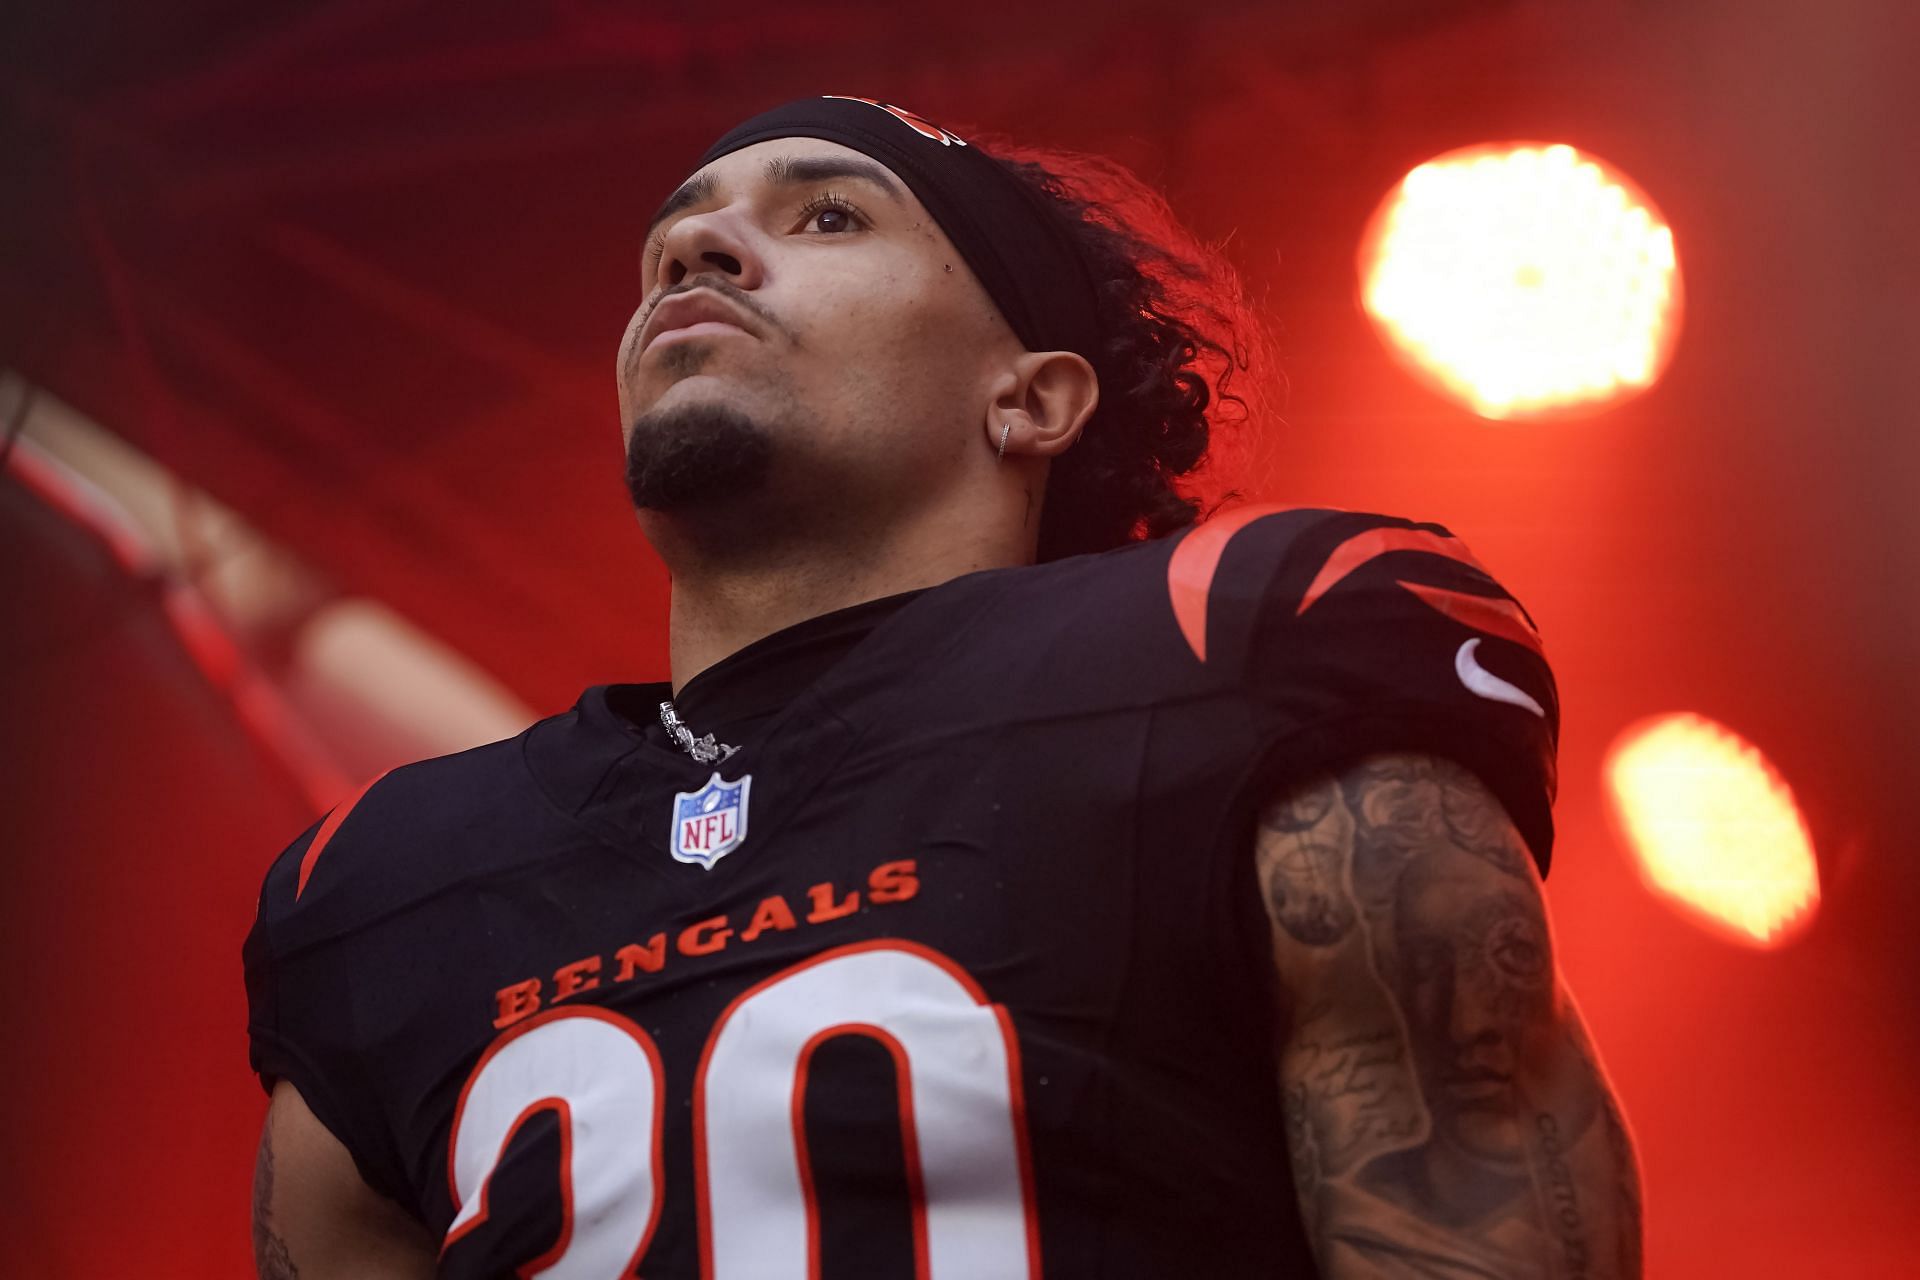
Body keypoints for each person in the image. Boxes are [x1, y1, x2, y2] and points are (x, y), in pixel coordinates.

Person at [244, 95, 1643, 1278]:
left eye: (828, 218)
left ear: (1030, 399)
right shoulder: (382, 879)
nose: (695, 248)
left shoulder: (1241, 646)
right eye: (678, 232)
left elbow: (1466, 1192)